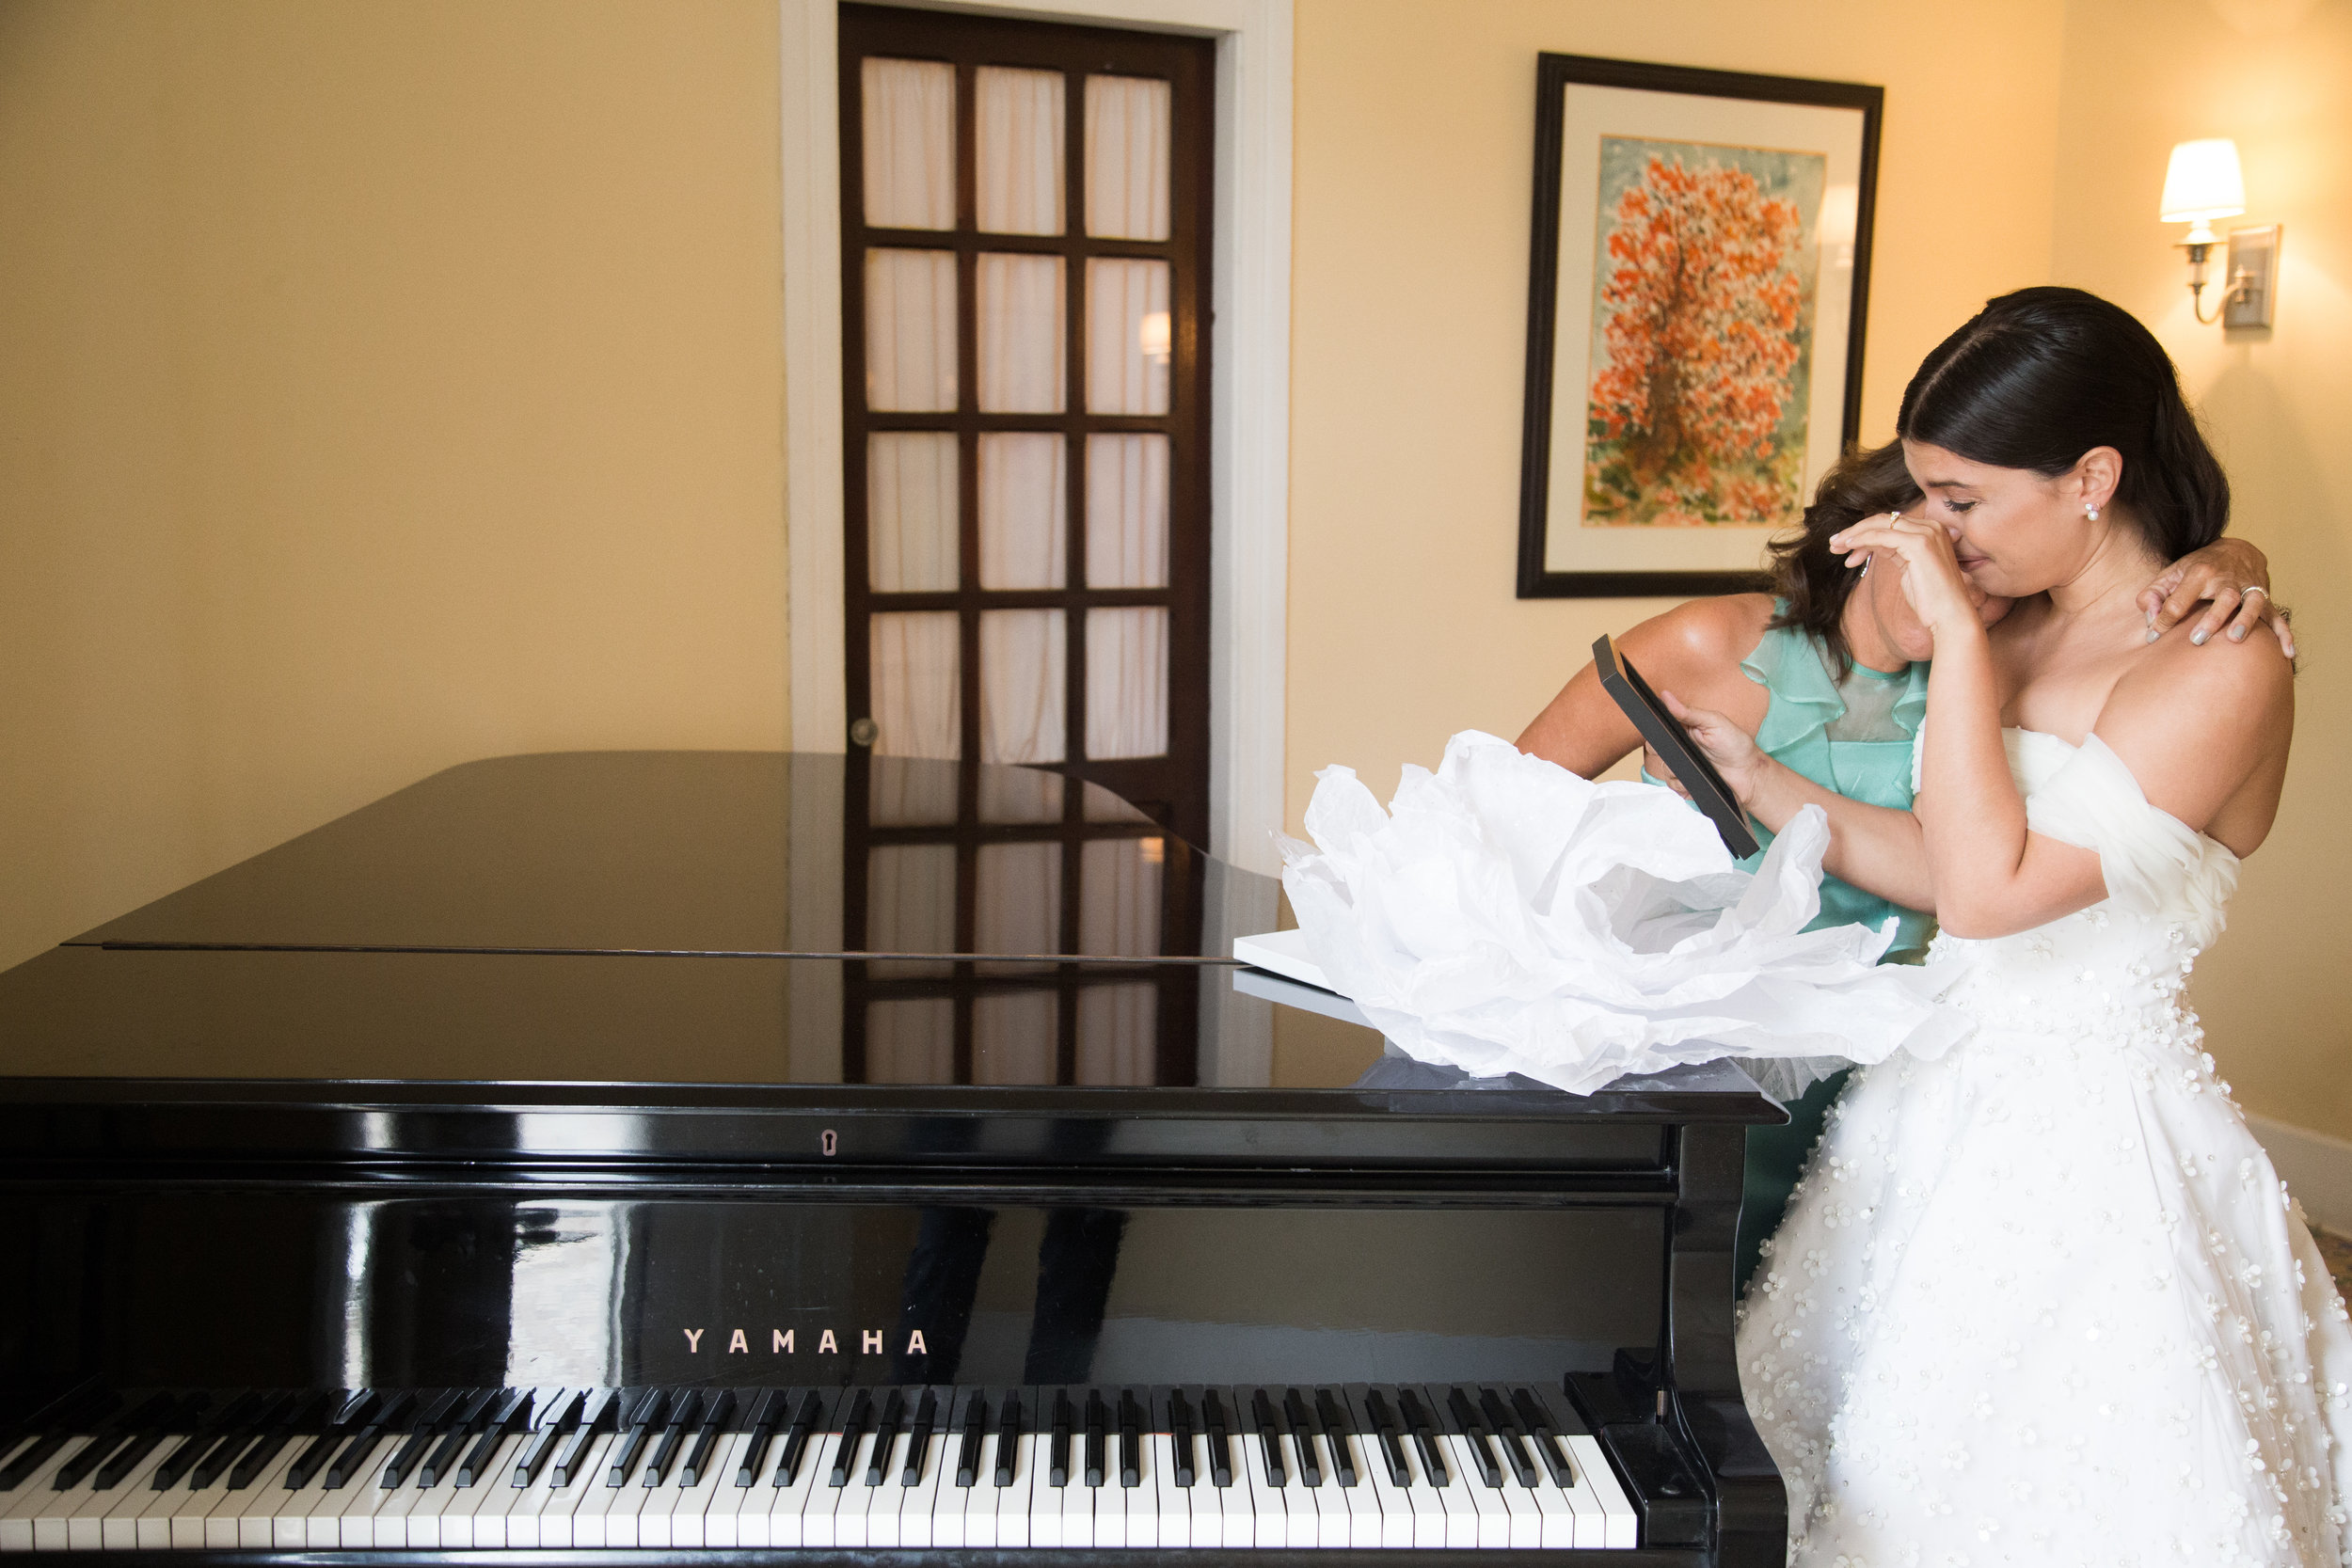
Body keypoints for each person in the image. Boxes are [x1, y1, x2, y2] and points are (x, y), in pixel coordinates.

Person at [1664, 286, 2344, 1565]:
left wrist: (1965, 641)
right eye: (1926, 493)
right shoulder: (2027, 621)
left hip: (2095, 1141)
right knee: (1861, 1461)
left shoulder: (2220, 661)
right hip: (1936, 1097)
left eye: (1961, 498)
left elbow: (1995, 890)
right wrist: (1756, 778)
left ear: (2093, 475)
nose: (1937, 529)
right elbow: (1942, 857)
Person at [1517, 450, 2286, 1292]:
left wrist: (2238, 557)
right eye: (1945, 567)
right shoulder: (1709, 640)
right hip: (1706, 1043)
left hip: (1894, 1053)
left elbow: (1984, 866)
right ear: (1869, 541)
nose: (1970, 600)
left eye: (1990, 581)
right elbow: (1511, 796)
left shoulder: (1990, 677)